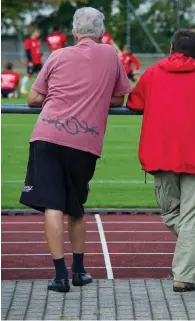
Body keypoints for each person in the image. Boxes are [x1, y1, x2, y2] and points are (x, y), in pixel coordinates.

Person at [20, 7, 132, 293]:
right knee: (76, 207)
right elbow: (119, 97)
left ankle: (59, 276)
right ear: (101, 32)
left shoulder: (58, 56)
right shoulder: (110, 55)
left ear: (73, 32)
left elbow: (34, 97)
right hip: (85, 141)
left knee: (52, 205)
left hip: (47, 135)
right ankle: (79, 271)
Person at [126, 29, 195, 293]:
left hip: (160, 155)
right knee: (191, 218)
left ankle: (184, 276)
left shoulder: (152, 74)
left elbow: (134, 102)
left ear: (171, 49)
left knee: (172, 214)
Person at [21, 29, 43, 95]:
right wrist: (30, 61)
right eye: (37, 32)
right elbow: (27, 52)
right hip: (32, 62)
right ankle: (22, 89)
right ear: (33, 33)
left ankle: (37, 90)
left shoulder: (38, 41)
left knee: (40, 76)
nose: (38, 33)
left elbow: (37, 51)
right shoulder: (28, 41)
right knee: (29, 75)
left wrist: (41, 56)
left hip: (38, 62)